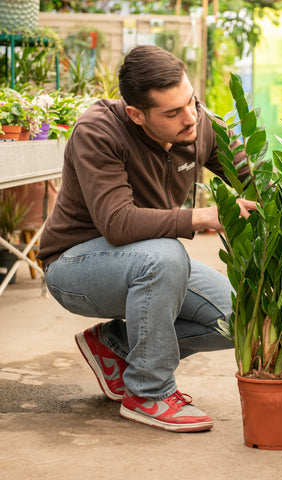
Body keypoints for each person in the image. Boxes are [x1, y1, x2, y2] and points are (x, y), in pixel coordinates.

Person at [38, 45, 256, 433]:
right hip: (75, 266)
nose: (190, 118)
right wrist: (203, 216)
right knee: (166, 256)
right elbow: (117, 224)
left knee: (239, 319)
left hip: (150, 260)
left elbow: (253, 182)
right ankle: (148, 393)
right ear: (136, 114)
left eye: (190, 102)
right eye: (172, 113)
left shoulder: (198, 122)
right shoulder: (98, 131)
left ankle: (116, 345)